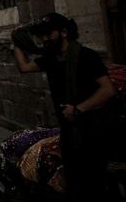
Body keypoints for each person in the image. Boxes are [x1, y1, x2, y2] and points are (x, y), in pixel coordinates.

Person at [12, 13, 117, 201]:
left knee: (96, 182)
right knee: (75, 181)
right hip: (69, 130)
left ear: (64, 32)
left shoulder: (86, 56)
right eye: (41, 35)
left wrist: (79, 108)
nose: (44, 39)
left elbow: (107, 90)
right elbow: (24, 66)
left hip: (91, 128)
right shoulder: (51, 59)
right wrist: (17, 40)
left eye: (48, 34)